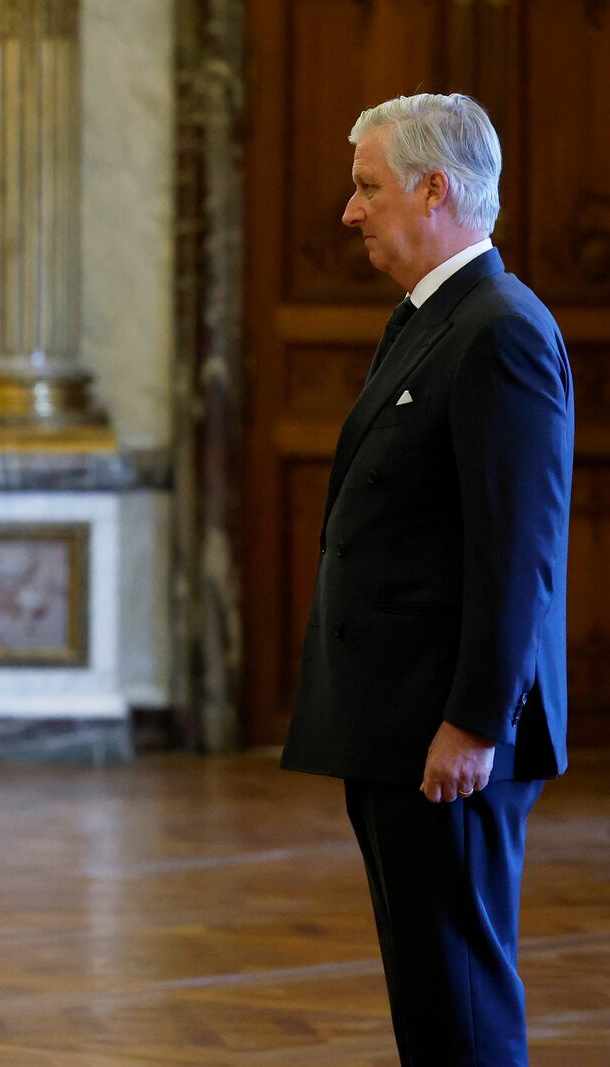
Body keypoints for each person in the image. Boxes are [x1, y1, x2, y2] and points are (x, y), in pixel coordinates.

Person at [281, 93, 574, 1066]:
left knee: (459, 989)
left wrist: (475, 721)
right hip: (397, 720)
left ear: (433, 189)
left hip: (445, 732)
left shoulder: (498, 329)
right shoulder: (429, 318)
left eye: (367, 187)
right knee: (428, 983)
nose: (348, 212)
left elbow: (516, 549)